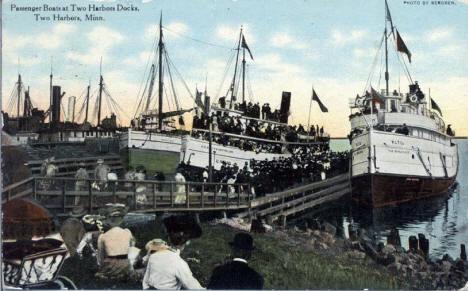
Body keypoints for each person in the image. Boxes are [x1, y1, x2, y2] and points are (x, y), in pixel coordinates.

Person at [142, 215, 203, 290]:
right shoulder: (179, 263)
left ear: (168, 238)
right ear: (185, 243)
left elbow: (145, 283)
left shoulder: (153, 256)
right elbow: (194, 287)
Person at [95, 205, 138, 281]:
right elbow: (132, 249)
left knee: (98, 274)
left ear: (108, 221)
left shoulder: (103, 236)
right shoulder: (127, 233)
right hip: (125, 263)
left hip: (110, 264)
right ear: (121, 220)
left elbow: (100, 258)